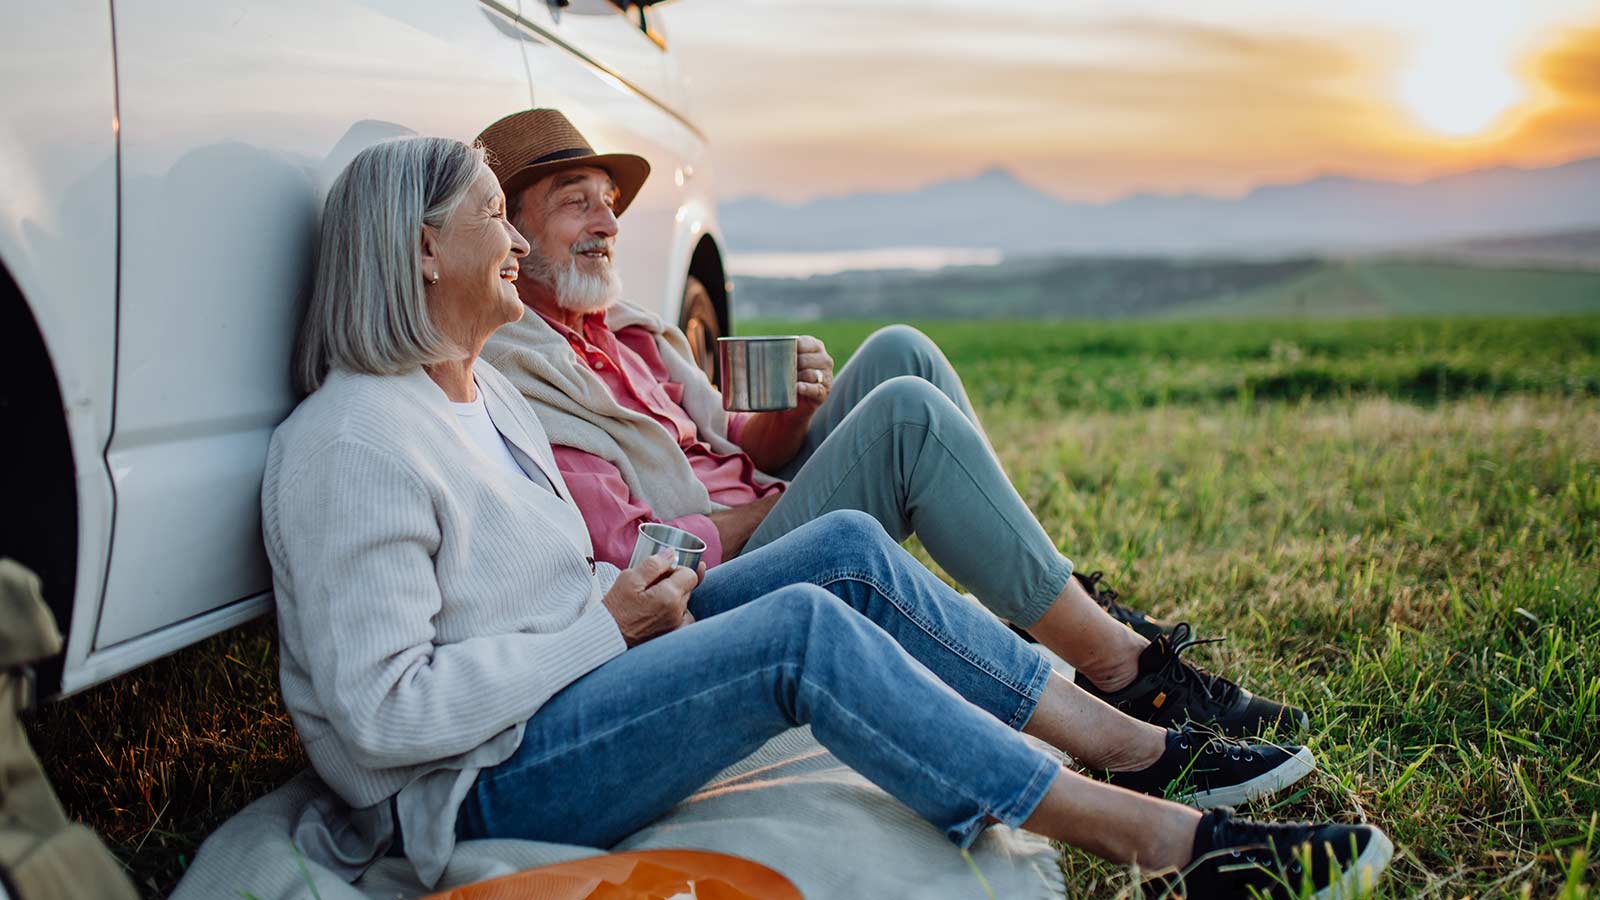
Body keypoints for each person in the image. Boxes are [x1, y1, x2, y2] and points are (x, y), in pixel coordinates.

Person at [261, 136, 1392, 898]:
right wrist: (604, 628)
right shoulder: (351, 444)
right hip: (483, 778)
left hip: (579, 681)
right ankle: (1166, 844)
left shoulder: (483, 391)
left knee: (844, 548)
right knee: (800, 634)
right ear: (419, 248)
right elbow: (379, 717)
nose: (512, 242)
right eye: (492, 220)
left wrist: (628, 609)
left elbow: (561, 575)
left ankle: (1130, 744)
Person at [477, 109, 1300, 739]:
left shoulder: (627, 330)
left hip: (763, 509)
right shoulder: (525, 374)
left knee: (901, 352)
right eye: (575, 203)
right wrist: (776, 502)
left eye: (610, 203)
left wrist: (791, 416)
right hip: (719, 587)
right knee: (904, 423)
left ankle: (1053, 593)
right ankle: (1124, 672)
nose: (609, 223)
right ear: (509, 229)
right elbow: (638, 558)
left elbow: (731, 452)